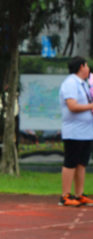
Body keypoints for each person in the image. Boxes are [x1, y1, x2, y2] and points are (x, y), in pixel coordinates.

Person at [58, 56, 93, 207]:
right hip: (74, 132)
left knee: (82, 163)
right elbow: (72, 106)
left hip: (86, 131)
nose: (88, 69)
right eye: (86, 66)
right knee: (71, 162)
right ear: (81, 67)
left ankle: (79, 194)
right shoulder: (71, 83)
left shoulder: (84, 84)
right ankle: (65, 196)